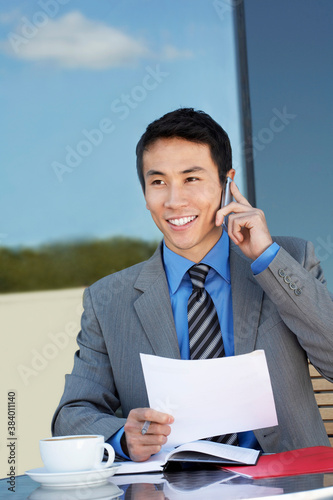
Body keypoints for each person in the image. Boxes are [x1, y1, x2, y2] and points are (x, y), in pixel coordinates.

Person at [52, 108, 333, 462]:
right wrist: (121, 437)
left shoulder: (289, 258)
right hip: (169, 488)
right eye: (158, 182)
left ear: (227, 183)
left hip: (290, 484)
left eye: (191, 178)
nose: (174, 201)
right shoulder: (108, 299)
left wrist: (266, 257)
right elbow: (71, 416)